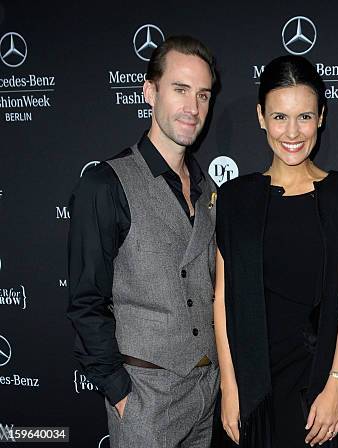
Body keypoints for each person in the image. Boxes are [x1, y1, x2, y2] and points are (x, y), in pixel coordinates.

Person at [214, 55, 338, 447]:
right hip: (254, 387)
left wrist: (337, 386)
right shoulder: (235, 198)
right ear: (260, 116)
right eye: (279, 116)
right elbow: (222, 298)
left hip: (321, 388)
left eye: (304, 116)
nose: (292, 131)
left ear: (320, 116)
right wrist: (230, 388)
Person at [67, 36, 219, 448]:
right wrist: (121, 394)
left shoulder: (207, 190)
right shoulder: (105, 184)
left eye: (203, 95)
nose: (193, 107)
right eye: (180, 90)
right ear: (150, 91)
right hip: (145, 401)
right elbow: (86, 301)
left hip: (207, 394)